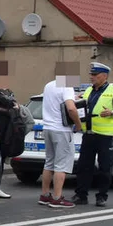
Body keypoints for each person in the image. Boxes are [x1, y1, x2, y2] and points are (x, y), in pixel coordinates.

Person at [73, 62, 113, 207]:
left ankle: (101, 196)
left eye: (95, 75)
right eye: (91, 74)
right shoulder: (88, 91)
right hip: (89, 134)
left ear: (104, 76)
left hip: (105, 135)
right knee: (84, 166)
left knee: (105, 167)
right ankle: (81, 195)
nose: (91, 77)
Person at [38, 76, 80, 209]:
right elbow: (71, 109)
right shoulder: (66, 87)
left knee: (49, 162)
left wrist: (74, 98)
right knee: (61, 165)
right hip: (61, 130)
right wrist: (78, 124)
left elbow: (56, 102)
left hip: (48, 128)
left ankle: (45, 195)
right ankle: (57, 198)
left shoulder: (49, 85)